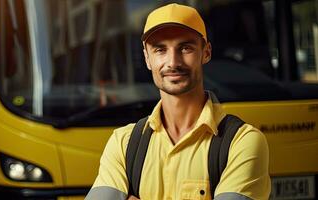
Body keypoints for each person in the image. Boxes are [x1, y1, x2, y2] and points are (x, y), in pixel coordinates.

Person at [85, 3, 270, 200]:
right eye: (160, 49)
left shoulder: (242, 142)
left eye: (186, 48)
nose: (173, 62)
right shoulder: (124, 143)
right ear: (147, 58)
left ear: (206, 52)